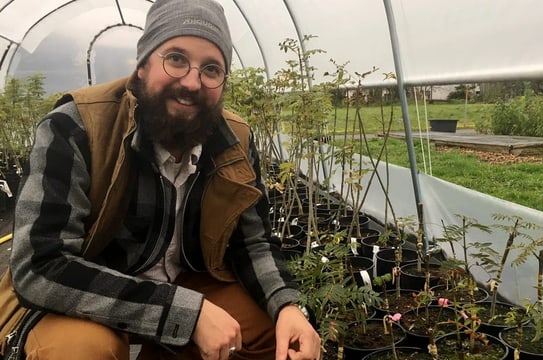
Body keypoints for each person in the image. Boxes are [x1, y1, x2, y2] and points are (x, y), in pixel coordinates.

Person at [0, 0, 321, 359]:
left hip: (186, 278)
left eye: (212, 69)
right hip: (92, 285)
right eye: (176, 59)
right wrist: (181, 312)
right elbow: (40, 266)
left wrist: (288, 305)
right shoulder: (73, 127)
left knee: (270, 331)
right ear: (141, 66)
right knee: (82, 351)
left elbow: (253, 243)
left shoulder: (235, 140)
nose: (192, 82)